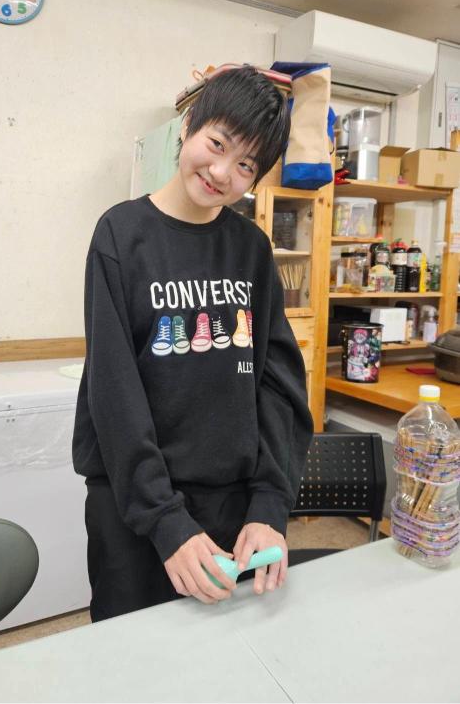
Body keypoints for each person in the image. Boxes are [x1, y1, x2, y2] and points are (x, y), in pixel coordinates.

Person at [72, 65, 314, 623]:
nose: (222, 172)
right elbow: (114, 393)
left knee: (231, 651)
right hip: (136, 508)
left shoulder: (251, 249)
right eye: (218, 144)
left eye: (246, 165)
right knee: (133, 654)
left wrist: (270, 503)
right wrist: (165, 520)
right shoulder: (120, 234)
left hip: (232, 503)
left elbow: (279, 383)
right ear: (189, 127)